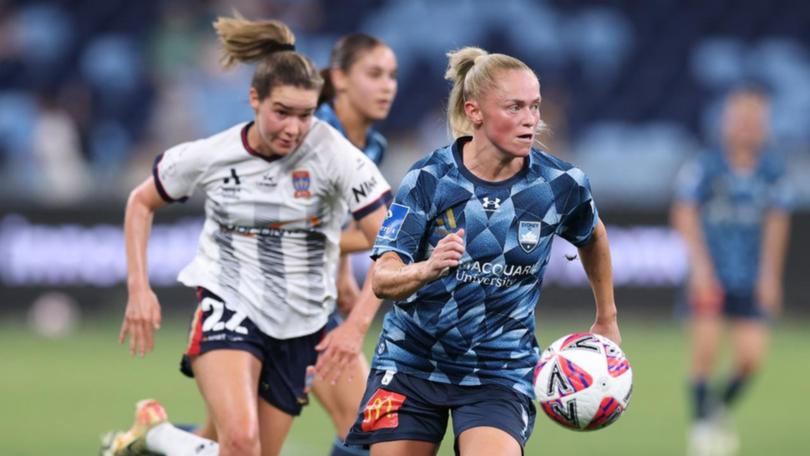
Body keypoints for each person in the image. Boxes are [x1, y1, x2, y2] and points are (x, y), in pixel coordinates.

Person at [106, 15, 391, 456]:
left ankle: (157, 437)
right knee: (241, 441)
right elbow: (140, 202)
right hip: (230, 302)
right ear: (254, 100)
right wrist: (138, 289)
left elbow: (391, 245)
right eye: (281, 113)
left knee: (240, 449)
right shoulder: (213, 154)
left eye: (305, 115)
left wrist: (355, 326)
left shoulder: (337, 154)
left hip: (302, 323)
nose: (293, 128)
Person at [344, 47, 621, 456]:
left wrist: (607, 317)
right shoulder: (429, 178)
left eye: (535, 106)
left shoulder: (561, 184)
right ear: (474, 112)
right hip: (411, 363)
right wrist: (427, 269)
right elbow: (384, 278)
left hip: (499, 370)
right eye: (514, 107)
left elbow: (592, 234)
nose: (531, 119)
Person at [188, 32, 398, 456]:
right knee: (366, 424)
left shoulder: (369, 145)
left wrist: (340, 262)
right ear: (338, 79)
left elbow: (335, 224)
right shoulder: (308, 134)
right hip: (272, 300)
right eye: (374, 74)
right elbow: (283, 223)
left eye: (392, 75)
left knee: (225, 440)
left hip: (309, 300)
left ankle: (148, 439)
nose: (387, 86)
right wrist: (341, 262)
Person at [672, 87, 792, 456]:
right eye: (740, 119)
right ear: (726, 122)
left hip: (750, 275)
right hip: (712, 273)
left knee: (750, 357)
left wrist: (770, 275)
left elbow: (776, 222)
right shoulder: (706, 165)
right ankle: (701, 431)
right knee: (705, 353)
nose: (747, 127)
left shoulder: (773, 170)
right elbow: (684, 213)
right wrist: (700, 266)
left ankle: (716, 408)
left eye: (754, 121)